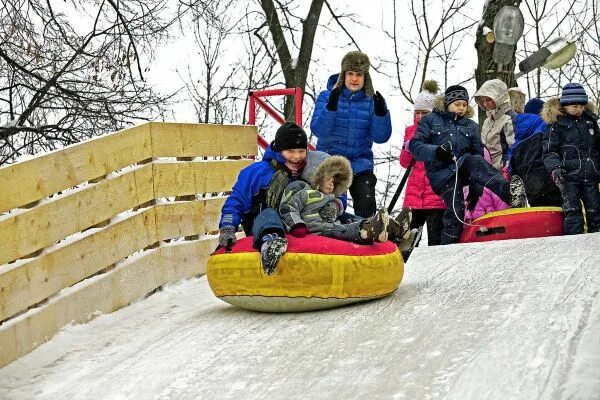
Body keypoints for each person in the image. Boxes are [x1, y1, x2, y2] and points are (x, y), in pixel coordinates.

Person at [409, 84, 527, 244]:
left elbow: (477, 155)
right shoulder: (431, 120)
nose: (461, 108)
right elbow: (415, 146)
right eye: (457, 104)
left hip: (463, 166)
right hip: (442, 174)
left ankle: (508, 193)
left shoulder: (470, 126)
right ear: (447, 103)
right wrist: (437, 151)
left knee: (476, 159)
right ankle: (447, 247)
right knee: (456, 211)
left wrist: (476, 186)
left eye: (464, 104)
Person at [218, 121, 309, 275]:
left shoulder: (309, 171)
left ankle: (360, 231)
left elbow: (332, 188)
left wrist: (336, 204)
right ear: (279, 150)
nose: (297, 156)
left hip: (296, 224)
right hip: (261, 223)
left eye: (301, 151)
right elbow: (236, 201)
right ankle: (271, 243)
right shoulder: (257, 172)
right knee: (269, 213)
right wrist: (227, 227)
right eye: (290, 151)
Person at [310, 50, 392, 218]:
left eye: (359, 74)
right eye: (350, 74)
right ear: (343, 75)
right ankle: (335, 238)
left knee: (366, 204)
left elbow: (381, 137)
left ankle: (367, 235)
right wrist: (330, 108)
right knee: (332, 208)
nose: (354, 79)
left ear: (365, 78)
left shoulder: (371, 101)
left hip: (360, 163)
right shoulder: (327, 96)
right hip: (331, 162)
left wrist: (382, 114)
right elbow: (319, 130)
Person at [279, 151, 390, 244]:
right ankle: (367, 230)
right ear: (317, 175)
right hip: (317, 229)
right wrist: (296, 225)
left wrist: (336, 206)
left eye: (334, 182)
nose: (332, 185)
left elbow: (340, 205)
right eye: (330, 180)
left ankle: (386, 227)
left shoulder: (330, 196)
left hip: (330, 226)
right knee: (344, 231)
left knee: (349, 221)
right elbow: (288, 207)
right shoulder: (302, 189)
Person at [542, 83, 600, 234]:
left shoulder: (590, 121)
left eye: (582, 106)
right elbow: (549, 150)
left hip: (591, 175)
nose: (579, 109)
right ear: (565, 105)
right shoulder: (557, 125)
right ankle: (574, 244)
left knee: (595, 211)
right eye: (575, 106)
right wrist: (555, 168)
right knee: (572, 211)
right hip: (569, 177)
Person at [399, 80, 445, 246]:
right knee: (407, 244)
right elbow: (404, 163)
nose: (419, 117)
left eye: (424, 113)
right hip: (413, 196)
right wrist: (410, 145)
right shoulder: (410, 131)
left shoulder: (441, 130)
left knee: (436, 243)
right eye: (416, 113)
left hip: (435, 195)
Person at [508, 98, 562, 207]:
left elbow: (511, 167)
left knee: (541, 218)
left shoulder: (516, 137)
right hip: (551, 183)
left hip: (532, 189)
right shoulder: (545, 127)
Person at [474, 79, 516, 171]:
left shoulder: (509, 118)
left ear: (500, 98)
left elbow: (513, 149)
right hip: (487, 169)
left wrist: (507, 169)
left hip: (502, 170)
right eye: (483, 101)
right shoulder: (487, 120)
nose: (485, 104)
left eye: (489, 99)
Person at [463, 147, 509, 222]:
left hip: (493, 225)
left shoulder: (493, 183)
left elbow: (503, 207)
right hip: (475, 225)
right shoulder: (465, 185)